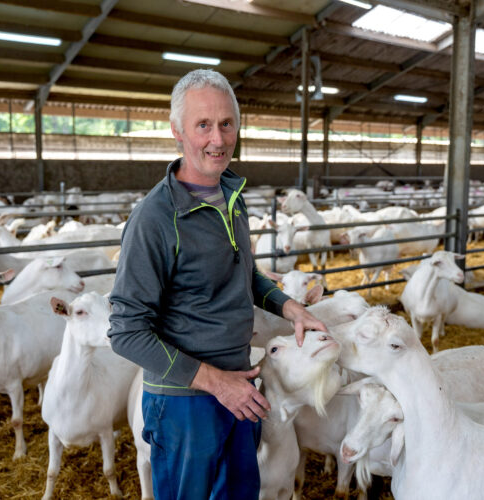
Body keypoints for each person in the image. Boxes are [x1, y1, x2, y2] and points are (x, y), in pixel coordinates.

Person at [107, 68, 327, 500]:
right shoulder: (155, 218)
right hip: (185, 402)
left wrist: (288, 306)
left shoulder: (233, 196)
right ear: (176, 131)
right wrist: (214, 381)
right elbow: (125, 331)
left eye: (226, 123)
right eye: (203, 125)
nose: (218, 138)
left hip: (240, 385)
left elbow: (243, 273)